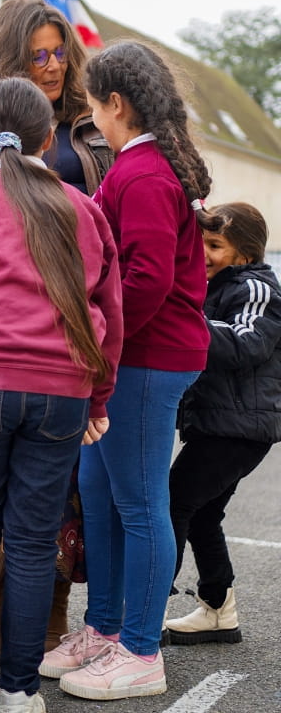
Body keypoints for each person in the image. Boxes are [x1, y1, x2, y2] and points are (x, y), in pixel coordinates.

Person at [0, 76, 123, 713]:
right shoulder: (83, 209)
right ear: (49, 138)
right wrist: (97, 399)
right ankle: (21, 690)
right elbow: (107, 313)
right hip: (61, 387)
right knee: (34, 540)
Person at [45, 40, 219, 701]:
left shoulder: (144, 174)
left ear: (116, 104)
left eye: (92, 106)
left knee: (140, 505)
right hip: (134, 358)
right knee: (103, 495)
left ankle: (141, 652)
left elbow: (144, 281)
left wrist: (96, 354)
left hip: (145, 360)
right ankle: (109, 628)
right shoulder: (139, 166)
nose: (91, 117)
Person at [0, 0, 114, 649]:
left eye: (60, 52)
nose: (51, 65)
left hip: (66, 336)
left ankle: (47, 624)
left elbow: (110, 237)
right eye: (37, 54)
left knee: (57, 501)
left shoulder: (92, 125)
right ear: (12, 58)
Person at [166, 202, 281, 644]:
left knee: (176, 503)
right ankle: (218, 609)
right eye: (201, 244)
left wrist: (185, 319)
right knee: (203, 513)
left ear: (247, 253)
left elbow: (246, 344)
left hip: (241, 429)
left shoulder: (256, 288)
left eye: (215, 246)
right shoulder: (212, 286)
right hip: (219, 423)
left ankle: (145, 610)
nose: (205, 253)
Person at [0, 0, 112, 202]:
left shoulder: (96, 119)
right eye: (39, 57)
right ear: (11, 63)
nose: (55, 66)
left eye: (60, 53)